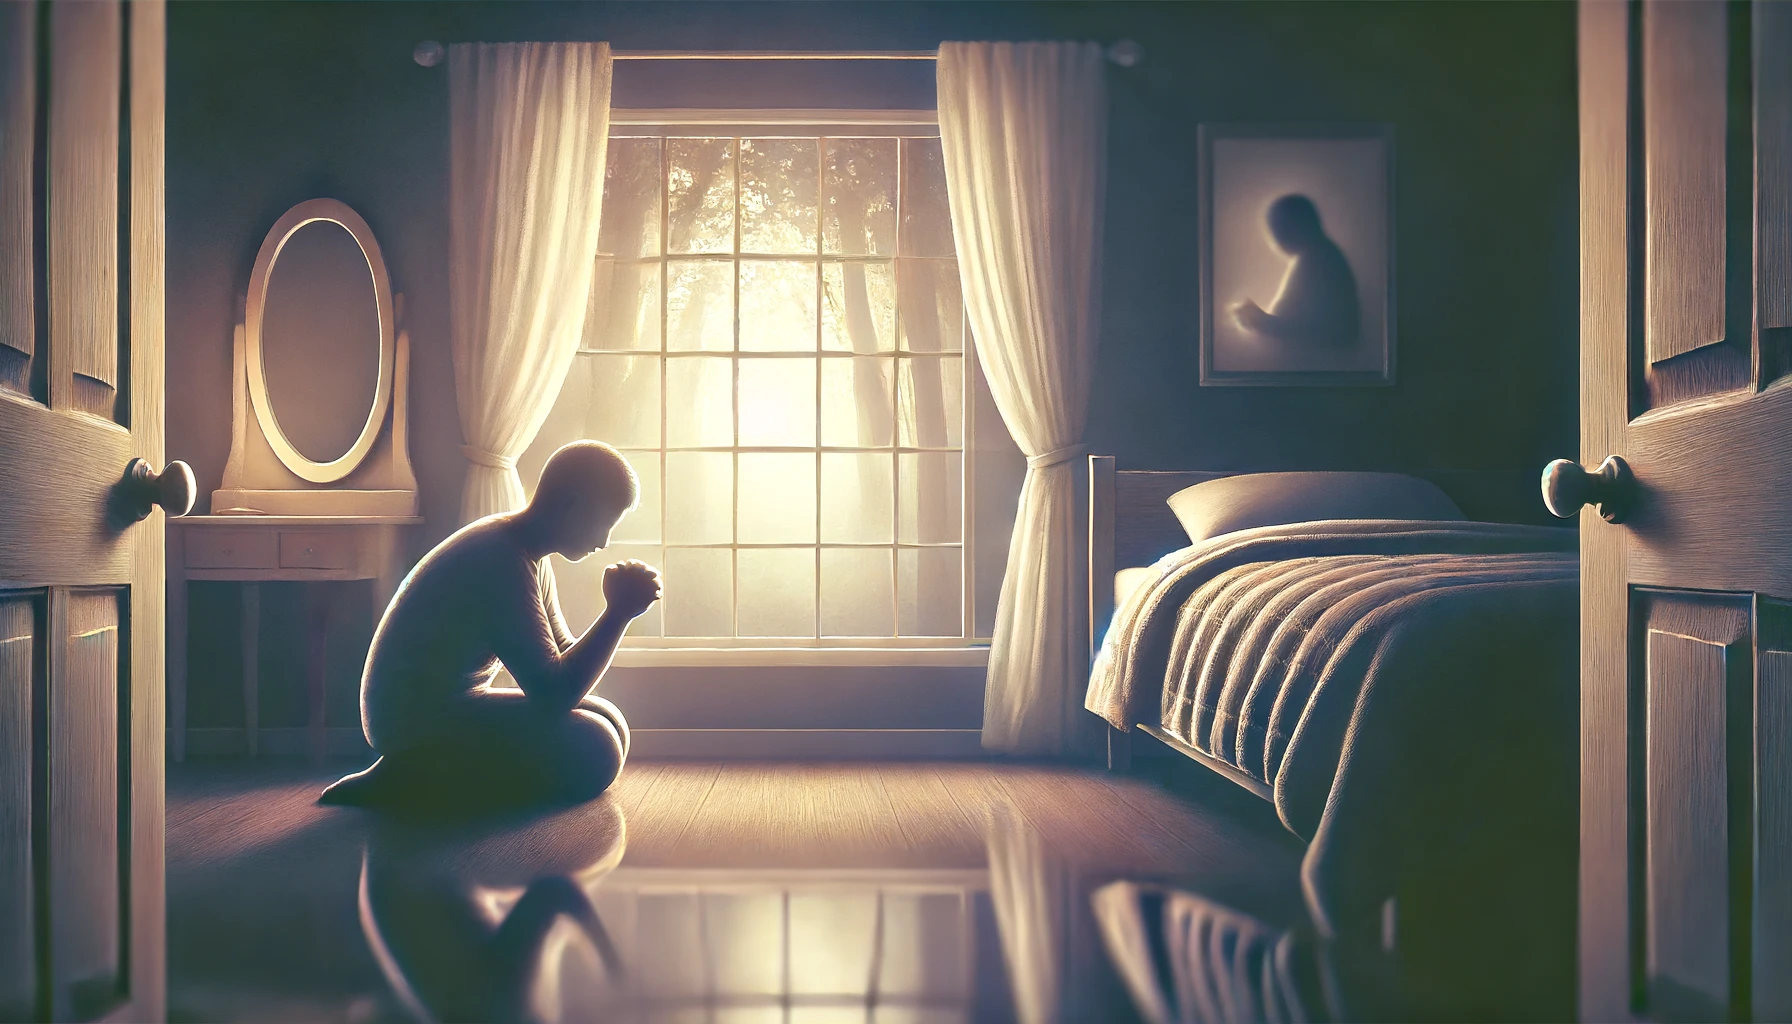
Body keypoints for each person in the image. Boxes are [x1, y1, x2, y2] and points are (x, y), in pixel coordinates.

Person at [320, 441, 661, 809]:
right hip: (413, 722)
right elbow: (553, 693)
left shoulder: (525, 550)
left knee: (608, 719)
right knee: (598, 746)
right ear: (571, 506)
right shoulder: (500, 560)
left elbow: (561, 655)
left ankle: (415, 771)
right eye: (604, 523)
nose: (604, 541)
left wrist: (618, 612)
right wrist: (618, 612)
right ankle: (413, 775)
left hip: (443, 708)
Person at [1230, 194, 1362, 349]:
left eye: (1281, 227)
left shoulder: (1318, 260)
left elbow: (1314, 331)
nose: (1276, 238)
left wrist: (1261, 321)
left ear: (1302, 224)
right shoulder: (1316, 256)